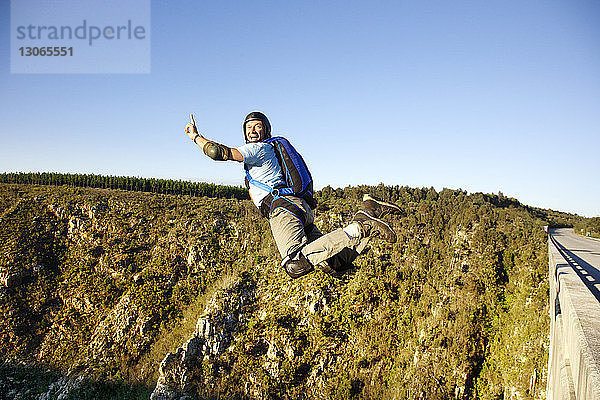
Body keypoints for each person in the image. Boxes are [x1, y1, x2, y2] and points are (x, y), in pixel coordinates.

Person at [185, 111, 401, 278]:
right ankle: (369, 211)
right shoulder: (269, 150)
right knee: (334, 264)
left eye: (257, 127)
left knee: (295, 263)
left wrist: (196, 137)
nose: (252, 131)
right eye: (248, 127)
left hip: (283, 208)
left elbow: (217, 153)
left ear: (265, 131)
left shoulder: (256, 149)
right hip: (299, 208)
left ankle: (362, 226)